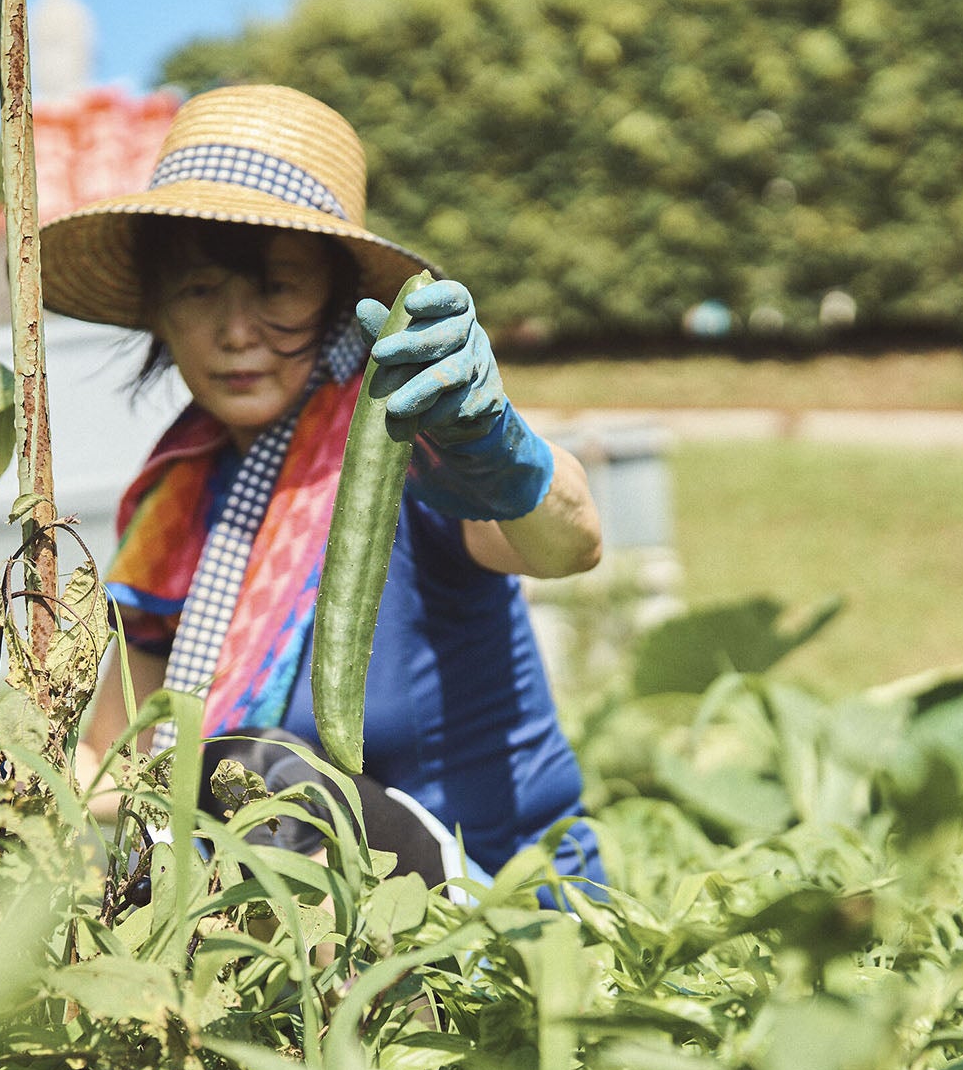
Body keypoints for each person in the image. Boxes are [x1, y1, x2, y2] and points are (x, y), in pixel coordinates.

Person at [35, 84, 604, 891]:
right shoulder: (178, 504)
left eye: (276, 287)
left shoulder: (412, 443)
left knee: (255, 766)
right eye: (200, 290)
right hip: (306, 929)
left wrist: (506, 455)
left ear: (338, 296)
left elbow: (569, 543)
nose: (236, 330)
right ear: (160, 312)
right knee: (205, 797)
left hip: (508, 914)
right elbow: (120, 762)